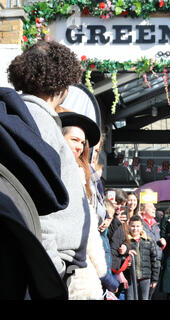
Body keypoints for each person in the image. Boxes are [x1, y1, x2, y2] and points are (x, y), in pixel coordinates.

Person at [7, 40, 91, 281]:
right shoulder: (38, 123)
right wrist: (52, 267)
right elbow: (34, 203)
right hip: (45, 268)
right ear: (63, 83)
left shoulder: (23, 115)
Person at [56, 109, 108, 300]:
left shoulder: (82, 173)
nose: (79, 146)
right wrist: (103, 271)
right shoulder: (61, 170)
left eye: (82, 142)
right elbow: (86, 227)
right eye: (74, 140)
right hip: (70, 265)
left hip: (81, 266)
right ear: (60, 137)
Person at [125, 215, 160, 300]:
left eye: (137, 226)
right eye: (133, 226)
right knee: (130, 298)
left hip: (145, 277)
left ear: (141, 227)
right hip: (130, 277)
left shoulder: (149, 241)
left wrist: (154, 279)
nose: (135, 229)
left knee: (144, 298)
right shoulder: (126, 241)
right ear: (129, 226)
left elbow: (155, 260)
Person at [141, 202, 167, 299]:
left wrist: (163, 244)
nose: (154, 209)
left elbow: (157, 244)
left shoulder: (156, 224)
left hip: (157, 262)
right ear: (143, 211)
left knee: (152, 292)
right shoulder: (140, 224)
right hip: (146, 263)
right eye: (151, 207)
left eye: (154, 207)